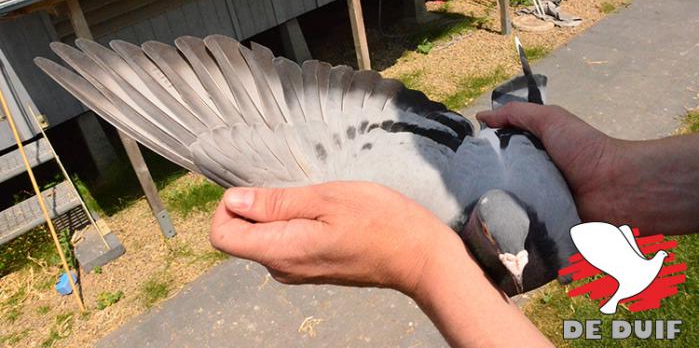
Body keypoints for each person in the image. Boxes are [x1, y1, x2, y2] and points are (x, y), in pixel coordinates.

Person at [210, 102, 699, 347]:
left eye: (515, 254)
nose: (516, 265)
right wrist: (610, 172)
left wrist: (425, 262)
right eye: (508, 252)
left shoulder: (553, 246)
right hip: (496, 153)